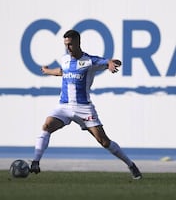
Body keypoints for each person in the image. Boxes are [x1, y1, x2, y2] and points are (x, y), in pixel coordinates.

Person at [29, 30, 142, 179]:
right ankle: (35, 162)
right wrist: (47, 70)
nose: (67, 48)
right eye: (65, 45)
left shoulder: (89, 61)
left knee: (104, 141)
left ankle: (131, 165)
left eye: (70, 45)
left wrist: (111, 63)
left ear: (78, 43)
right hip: (64, 106)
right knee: (47, 126)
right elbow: (62, 71)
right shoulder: (65, 59)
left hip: (84, 108)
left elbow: (106, 61)